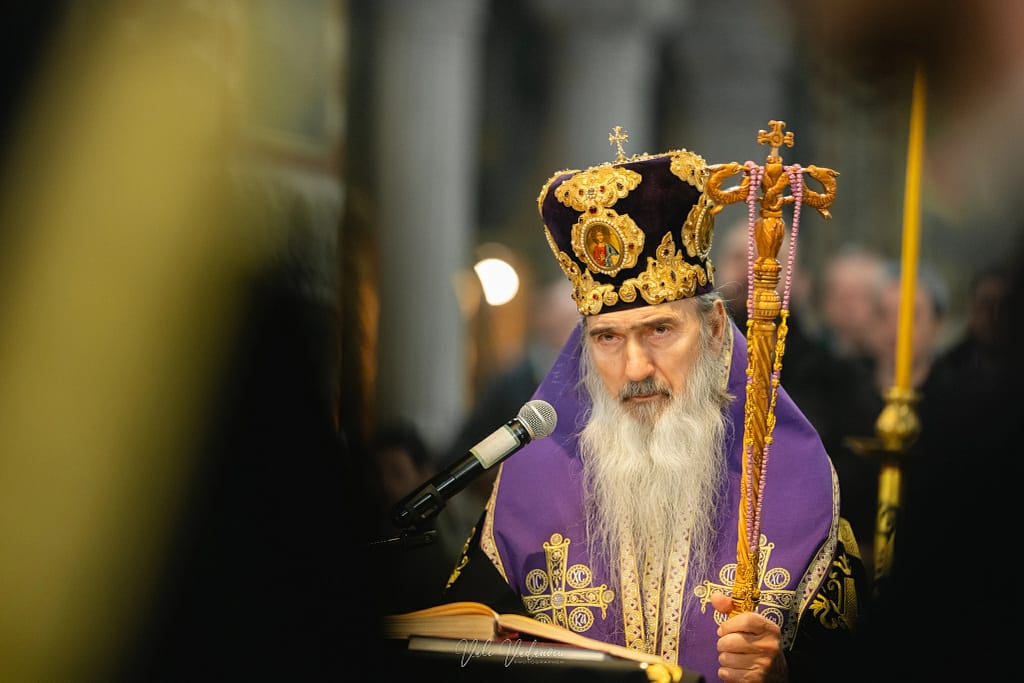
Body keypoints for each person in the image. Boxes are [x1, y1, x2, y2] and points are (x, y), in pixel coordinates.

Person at [444, 145, 864, 682]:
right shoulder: (528, 486)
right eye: (608, 338)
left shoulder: (794, 483)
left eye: (660, 330)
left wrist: (778, 672)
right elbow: (461, 648)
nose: (635, 366)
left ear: (714, 329)